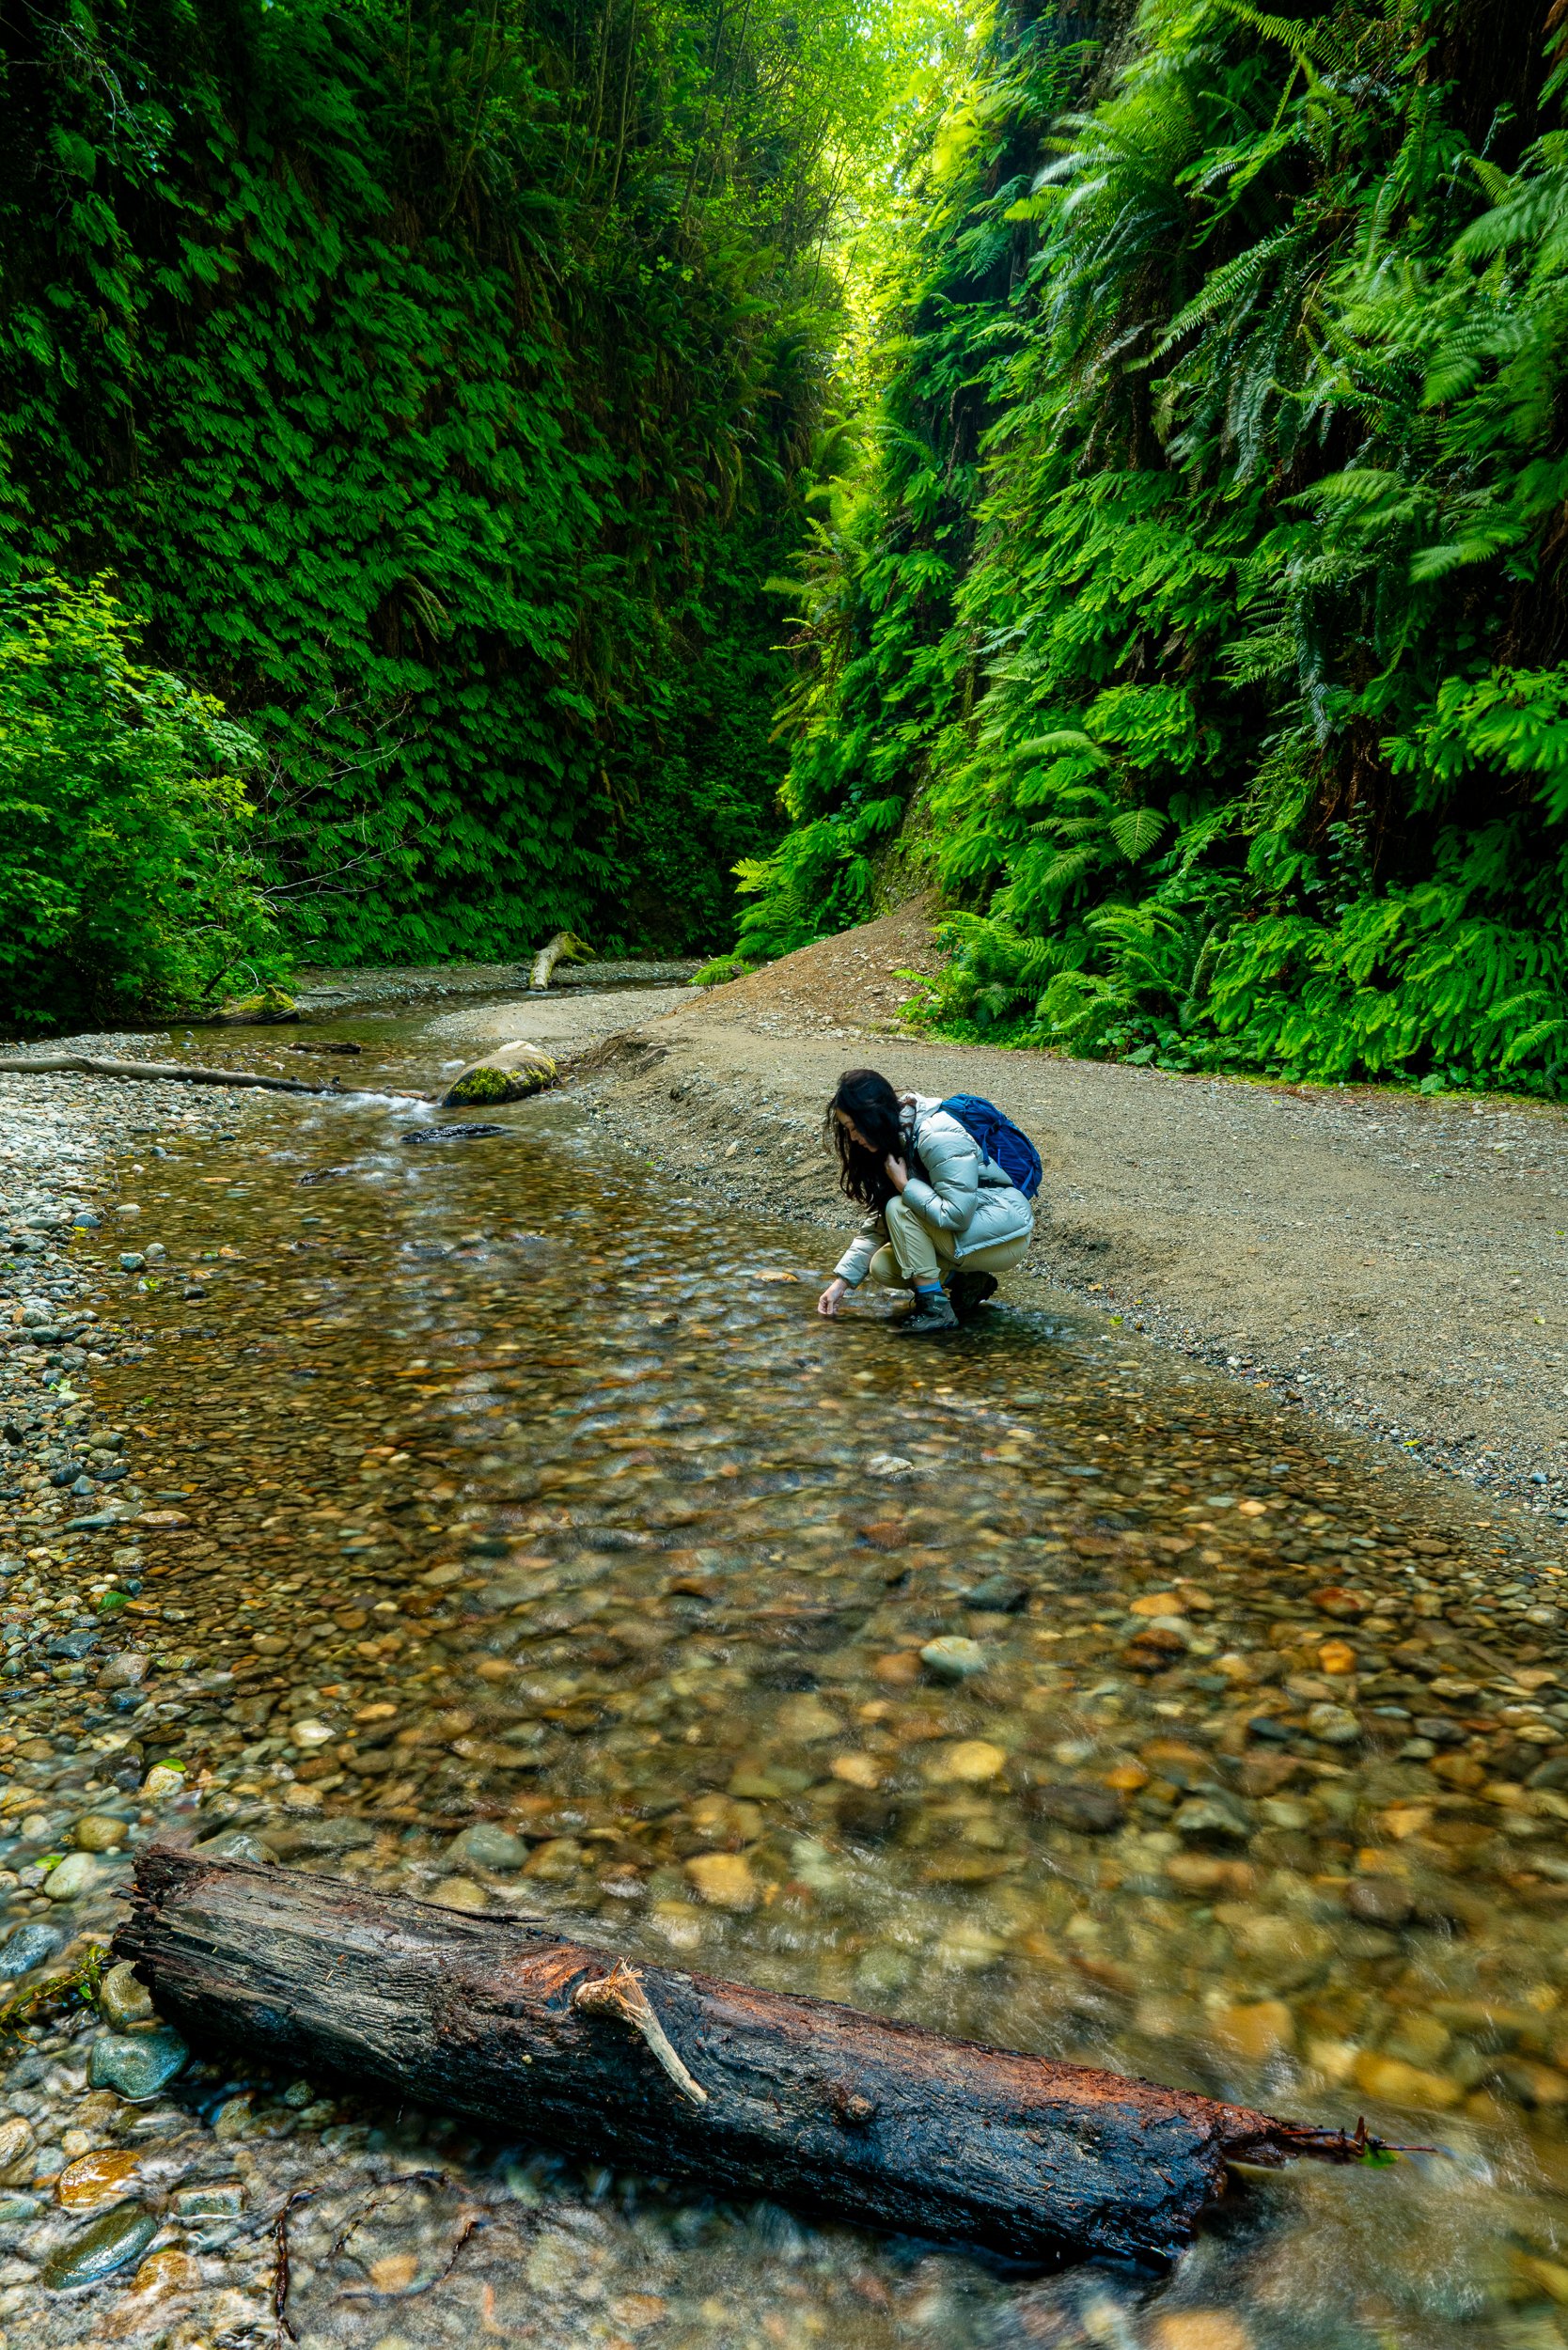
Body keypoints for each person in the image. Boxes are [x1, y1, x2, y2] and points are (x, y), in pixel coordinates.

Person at [816, 1068, 1035, 1335]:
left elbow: (957, 1215)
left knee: (899, 1207)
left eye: (853, 1128)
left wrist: (905, 1186)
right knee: (883, 1267)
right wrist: (841, 1283)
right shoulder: (896, 1141)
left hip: (1003, 1235)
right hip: (967, 1235)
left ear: (872, 1116)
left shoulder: (936, 1135)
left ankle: (935, 1311)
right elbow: (881, 1224)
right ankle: (967, 1283)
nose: (852, 1138)